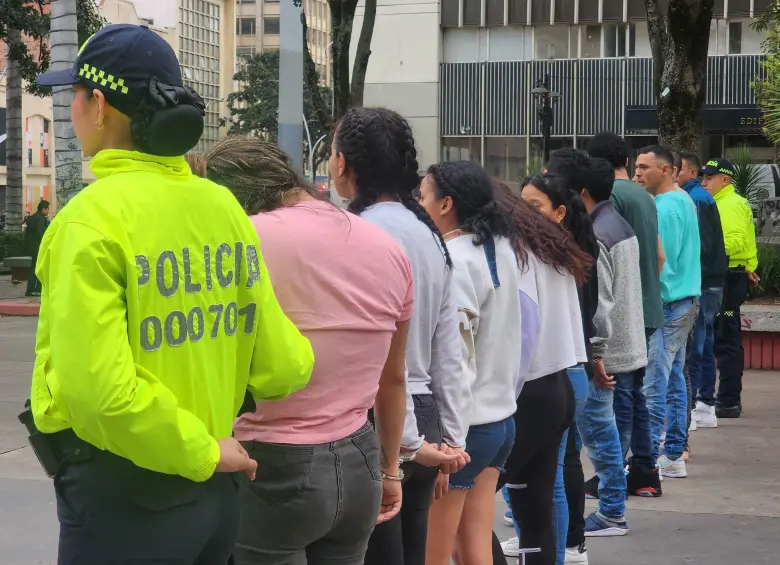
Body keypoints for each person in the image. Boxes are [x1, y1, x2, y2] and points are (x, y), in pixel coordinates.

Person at [28, 24, 315, 563]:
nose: (71, 109)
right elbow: (285, 365)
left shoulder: (88, 222)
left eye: (73, 95)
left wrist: (200, 452)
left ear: (101, 105)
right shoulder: (221, 207)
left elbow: (102, 396)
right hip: (216, 499)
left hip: (126, 496)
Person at [188, 137, 413, 565]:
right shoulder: (387, 247)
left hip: (269, 460)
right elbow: (393, 377)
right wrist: (390, 470)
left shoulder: (239, 242)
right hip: (361, 458)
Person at [421, 162, 588, 565]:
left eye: (422, 196)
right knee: (473, 545)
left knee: (435, 551)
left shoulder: (457, 260)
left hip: (467, 429)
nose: (418, 205)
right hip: (501, 421)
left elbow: (456, 358)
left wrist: (451, 442)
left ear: (446, 204)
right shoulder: (499, 251)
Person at [331, 107, 467, 565]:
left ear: (344, 163)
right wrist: (450, 438)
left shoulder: (358, 232)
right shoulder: (428, 233)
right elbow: (450, 346)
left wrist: (407, 445)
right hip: (422, 413)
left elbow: (377, 360)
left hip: (381, 420)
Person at [563, 154, 646, 537]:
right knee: (597, 433)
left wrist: (595, 353)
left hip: (603, 353)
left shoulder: (596, 233)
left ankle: (612, 511)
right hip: (618, 344)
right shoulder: (616, 222)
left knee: (599, 435)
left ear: (580, 192)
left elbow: (601, 302)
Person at [520, 172, 599, 564]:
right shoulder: (563, 251)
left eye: (534, 206)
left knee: (545, 482)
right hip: (568, 373)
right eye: (521, 205)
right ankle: (565, 549)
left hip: (553, 375)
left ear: (560, 212)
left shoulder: (538, 255)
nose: (524, 214)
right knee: (549, 477)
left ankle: (562, 550)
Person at [586, 132, 663, 497]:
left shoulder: (609, 199)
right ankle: (645, 469)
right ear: (627, 162)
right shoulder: (646, 197)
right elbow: (660, 256)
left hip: (621, 311)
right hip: (644, 304)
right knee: (635, 396)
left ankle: (613, 477)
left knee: (620, 400)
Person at [634, 145, 701, 479]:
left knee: (655, 382)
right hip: (682, 299)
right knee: (673, 379)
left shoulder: (666, 206)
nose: (638, 173)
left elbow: (663, 259)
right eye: (636, 167)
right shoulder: (682, 200)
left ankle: (652, 457)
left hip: (669, 301)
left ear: (666, 169)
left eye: (644, 167)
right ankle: (672, 454)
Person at [701, 158, 759, 419]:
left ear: (725, 179)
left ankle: (728, 401)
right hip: (732, 274)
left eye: (709, 178)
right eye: (703, 177)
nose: (704, 182)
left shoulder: (730, 204)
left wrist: (708, 252)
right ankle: (726, 399)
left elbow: (735, 242)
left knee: (726, 340)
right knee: (725, 338)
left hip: (728, 276)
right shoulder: (722, 202)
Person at [678, 153, 728, 431]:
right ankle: (703, 403)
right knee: (703, 341)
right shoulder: (698, 197)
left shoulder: (695, 198)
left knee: (697, 345)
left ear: (691, 172)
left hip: (704, 282)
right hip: (708, 280)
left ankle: (699, 402)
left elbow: (700, 247)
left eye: (679, 169)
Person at [23, 199, 50, 297]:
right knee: (38, 268)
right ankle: (35, 289)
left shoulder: (32, 217)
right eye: (47, 209)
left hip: (31, 247)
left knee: (33, 268)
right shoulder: (42, 218)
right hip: (38, 247)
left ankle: (30, 289)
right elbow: (40, 232)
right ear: (43, 209)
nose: (48, 211)